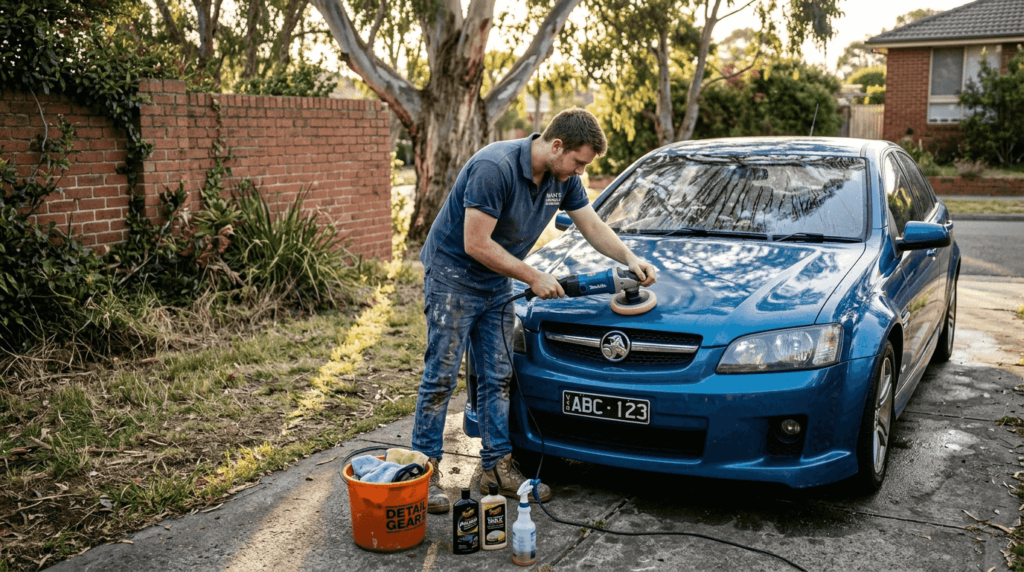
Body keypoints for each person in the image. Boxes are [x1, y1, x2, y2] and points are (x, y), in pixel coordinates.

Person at [413, 108, 657, 513]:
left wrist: (630, 258)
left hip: (495, 281)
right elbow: (476, 243)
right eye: (578, 162)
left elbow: (591, 225)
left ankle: (496, 467)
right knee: (441, 375)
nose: (580, 171)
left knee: (498, 374)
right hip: (452, 277)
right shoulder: (495, 167)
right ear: (556, 145)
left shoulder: (563, 178)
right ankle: (423, 473)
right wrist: (532, 276)